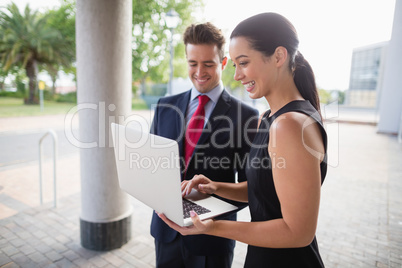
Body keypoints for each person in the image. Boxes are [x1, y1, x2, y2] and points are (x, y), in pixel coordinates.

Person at [158, 12, 328, 267]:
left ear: (279, 56)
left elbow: (298, 233)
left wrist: (212, 227)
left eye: (244, 62)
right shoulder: (272, 117)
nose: (237, 75)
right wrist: (216, 187)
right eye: (235, 65)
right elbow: (265, 191)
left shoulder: (289, 126)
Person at [150, 22, 259, 268]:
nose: (200, 71)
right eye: (192, 63)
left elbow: (251, 188)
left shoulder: (247, 117)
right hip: (166, 233)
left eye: (208, 64)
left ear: (223, 62)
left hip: (212, 240)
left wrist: (206, 213)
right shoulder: (164, 107)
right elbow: (151, 166)